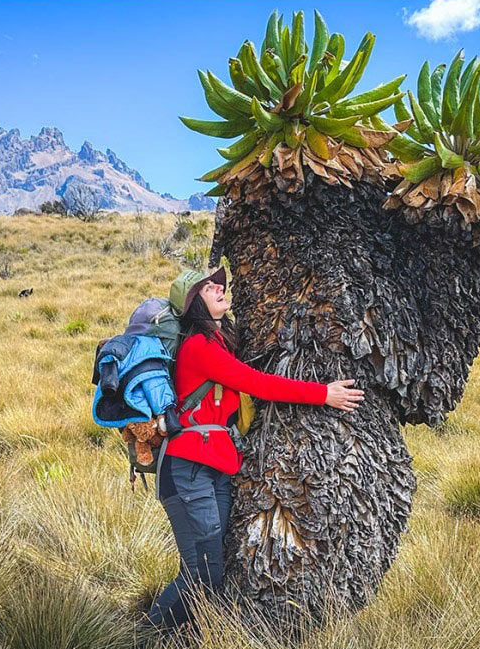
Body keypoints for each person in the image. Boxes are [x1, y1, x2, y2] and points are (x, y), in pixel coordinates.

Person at [145, 267, 364, 632]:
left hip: (213, 468)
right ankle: (146, 635)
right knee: (202, 574)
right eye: (207, 287)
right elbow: (256, 384)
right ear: (193, 305)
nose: (218, 287)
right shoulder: (199, 347)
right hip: (188, 470)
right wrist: (323, 394)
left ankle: (186, 636)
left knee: (211, 569)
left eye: (219, 283)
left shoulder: (219, 343)